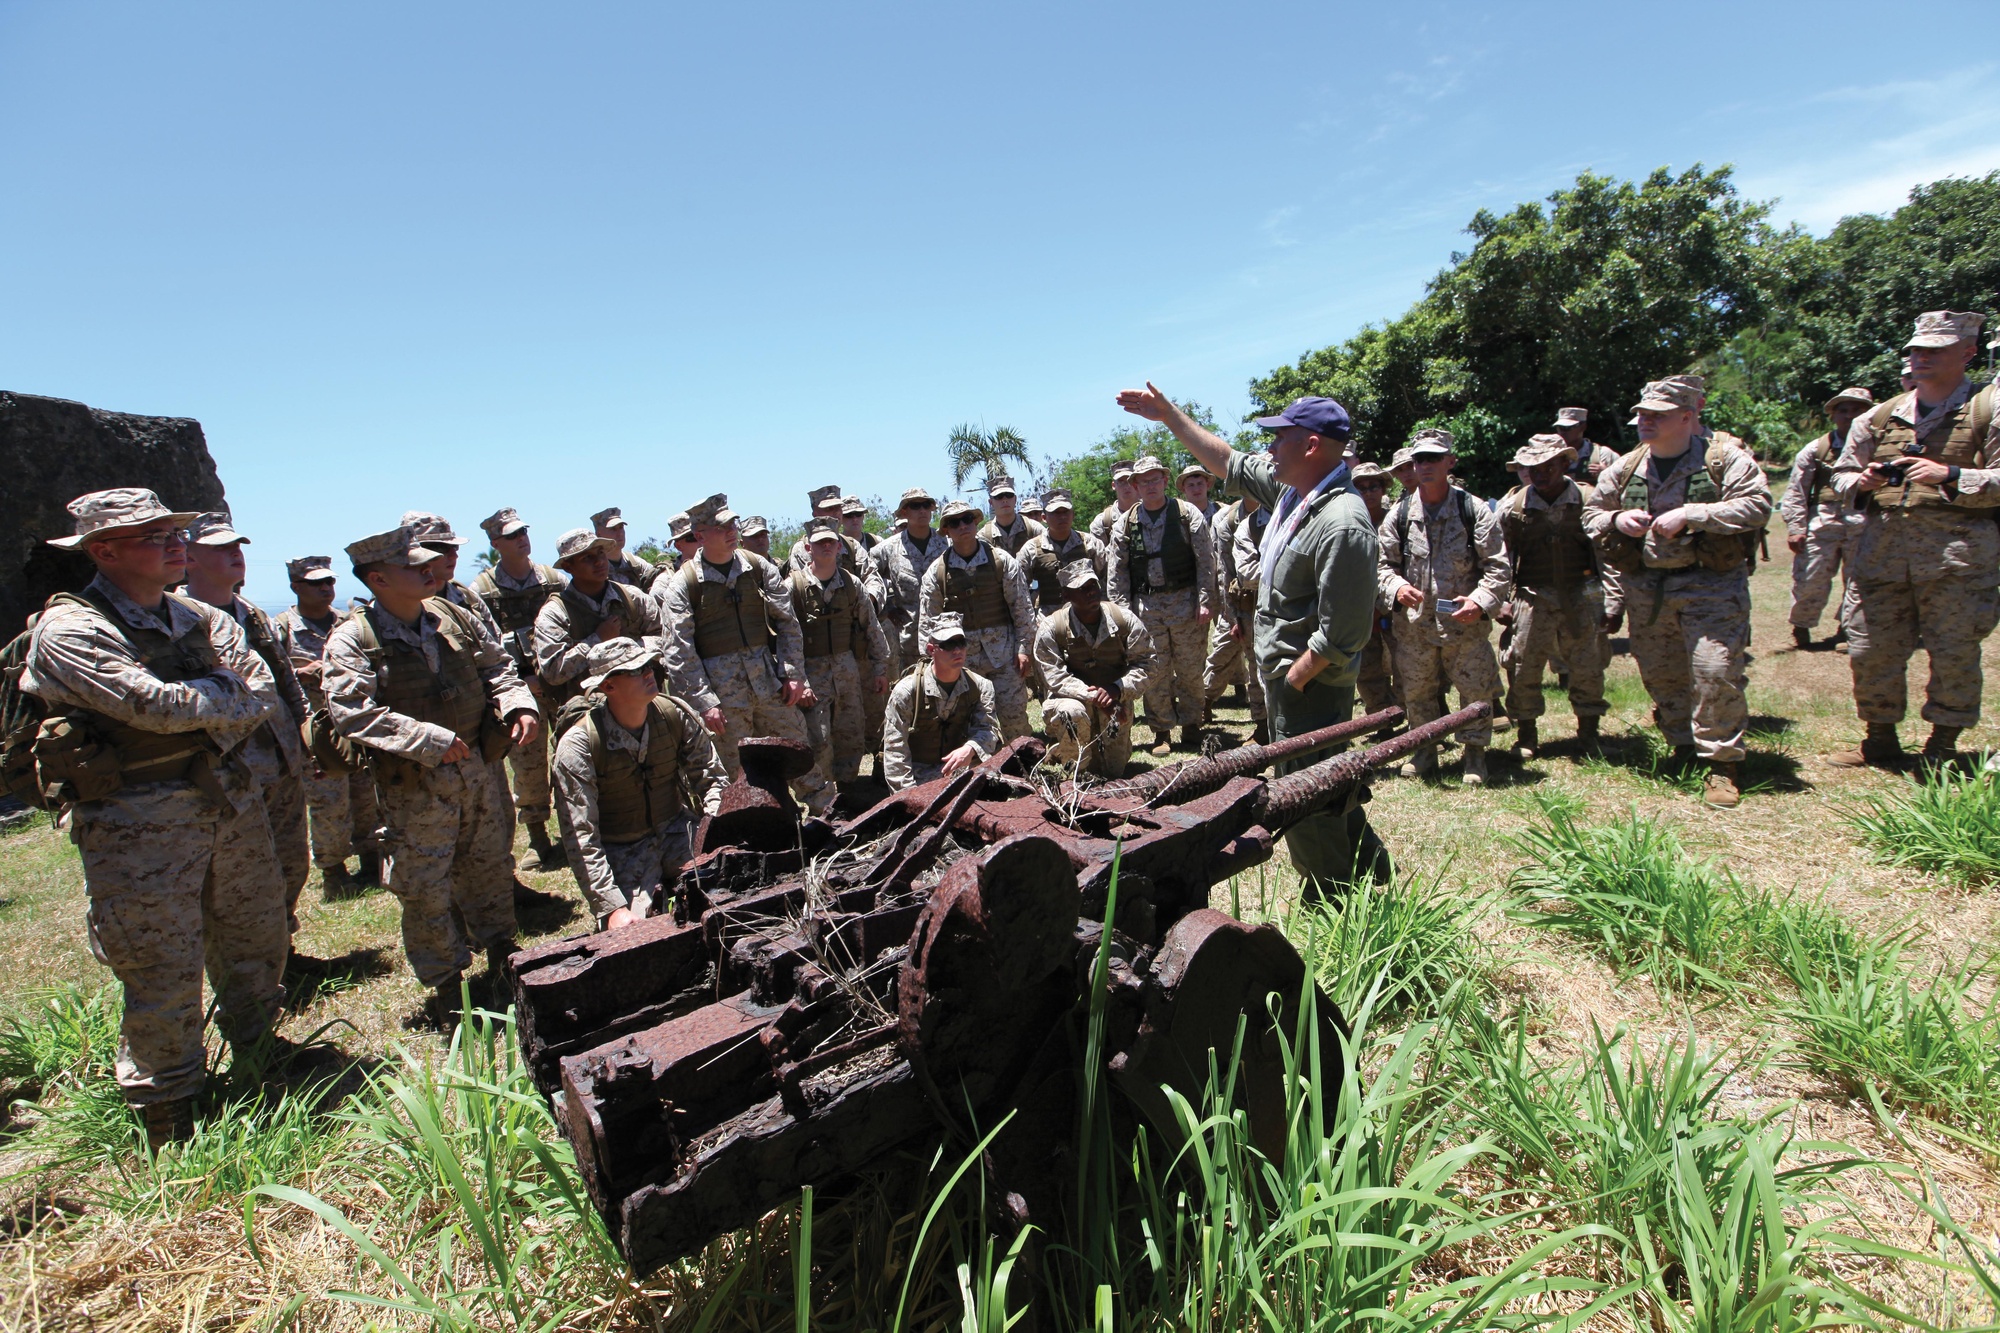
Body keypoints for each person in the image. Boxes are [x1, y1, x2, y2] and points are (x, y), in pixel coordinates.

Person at [22, 490, 290, 1147]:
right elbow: (155, 706)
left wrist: (214, 696)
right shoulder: (70, 630)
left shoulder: (200, 617)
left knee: (255, 938)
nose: (175, 543)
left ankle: (261, 1056)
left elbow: (261, 692)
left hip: (226, 803)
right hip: (135, 826)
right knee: (160, 966)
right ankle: (168, 1105)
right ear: (103, 550)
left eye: (174, 531)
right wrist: (220, 694)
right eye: (152, 535)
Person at [1116, 387, 1384, 895]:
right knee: (1328, 778)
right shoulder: (1295, 491)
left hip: (1311, 686)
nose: (1269, 449)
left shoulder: (1342, 522)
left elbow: (1345, 631)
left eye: (1279, 438)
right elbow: (1227, 461)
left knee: (1305, 792)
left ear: (1310, 445)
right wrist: (1171, 417)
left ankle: (1330, 894)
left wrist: (1297, 676)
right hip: (1288, 678)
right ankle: (1370, 867)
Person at [324, 525, 539, 1010]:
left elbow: (498, 667)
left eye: (428, 562)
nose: (429, 570)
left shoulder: (452, 616)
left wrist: (517, 703)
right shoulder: (354, 640)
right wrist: (427, 739)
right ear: (378, 578)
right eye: (413, 566)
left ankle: (502, 950)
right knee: (424, 884)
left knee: (489, 862)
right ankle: (447, 983)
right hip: (415, 787)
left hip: (479, 771)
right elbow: (349, 710)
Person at [1583, 379, 1771, 807]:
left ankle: (1721, 764)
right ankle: (1683, 748)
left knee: (1714, 670)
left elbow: (1758, 505)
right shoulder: (1626, 468)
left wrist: (1694, 513)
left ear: (1687, 417)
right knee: (1661, 672)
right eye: (1642, 414)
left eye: (1657, 415)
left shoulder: (1724, 461)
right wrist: (1617, 521)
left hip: (1712, 585)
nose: (1644, 421)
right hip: (1648, 590)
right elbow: (1590, 514)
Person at [1827, 311, 1998, 769]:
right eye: (1916, 350)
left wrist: (1954, 475)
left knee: (1954, 652)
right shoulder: (1879, 417)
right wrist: (1861, 481)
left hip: (1957, 561)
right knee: (1868, 650)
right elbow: (1840, 475)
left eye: (1934, 350)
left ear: (1967, 353)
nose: (1920, 358)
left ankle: (1943, 745)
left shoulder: (1988, 408)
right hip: (1880, 557)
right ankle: (1879, 738)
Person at [658, 494, 834, 813]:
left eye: (732, 523)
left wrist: (793, 674)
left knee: (796, 747)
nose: (730, 530)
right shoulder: (683, 585)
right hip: (723, 699)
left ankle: (826, 809)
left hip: (769, 684)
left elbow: (788, 623)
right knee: (735, 771)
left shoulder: (757, 567)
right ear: (699, 536)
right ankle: (755, 826)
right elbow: (678, 652)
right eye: (719, 526)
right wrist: (705, 702)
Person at [181, 513, 314, 930]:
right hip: (228, 769)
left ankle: (283, 952)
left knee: (292, 860)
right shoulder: (180, 619)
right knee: (242, 876)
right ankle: (254, 974)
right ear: (189, 557)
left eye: (236, 546)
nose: (235, 555)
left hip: (280, 758)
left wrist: (306, 732)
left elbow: (285, 680)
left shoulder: (251, 614)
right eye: (220, 548)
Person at [551, 638, 725, 929]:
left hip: (677, 831)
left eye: (648, 665)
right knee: (640, 928)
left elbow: (712, 778)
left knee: (732, 883)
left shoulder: (673, 714)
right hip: (623, 849)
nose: (648, 673)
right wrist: (611, 906)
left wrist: (716, 830)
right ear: (608, 686)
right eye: (634, 670)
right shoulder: (579, 747)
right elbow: (581, 836)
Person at [1375, 430, 1510, 784]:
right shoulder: (1400, 515)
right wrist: (1397, 586)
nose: (1426, 465)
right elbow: (1381, 565)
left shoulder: (1472, 509)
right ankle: (1424, 751)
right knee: (1417, 692)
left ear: (1451, 461)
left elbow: (1498, 566)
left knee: (1475, 690)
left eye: (1434, 458)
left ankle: (1475, 755)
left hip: (1464, 626)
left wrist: (1480, 601)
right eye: (1420, 459)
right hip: (1415, 628)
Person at [1494, 436, 1607, 758]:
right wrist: (1502, 599)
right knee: (1523, 664)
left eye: (1547, 466)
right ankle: (1526, 736)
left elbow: (1605, 554)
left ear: (1564, 464)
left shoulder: (1588, 499)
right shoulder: (1513, 507)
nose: (1539, 473)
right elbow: (1500, 556)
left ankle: (1589, 734)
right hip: (1533, 596)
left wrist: (1611, 601)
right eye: (1532, 468)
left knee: (1588, 665)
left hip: (1582, 595)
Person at [468, 508, 568, 869]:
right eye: (511, 535)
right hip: (520, 688)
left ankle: (574, 830)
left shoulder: (553, 579)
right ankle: (539, 838)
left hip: (560, 682)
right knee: (527, 763)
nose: (521, 538)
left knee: (571, 756)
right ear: (495, 543)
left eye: (523, 531)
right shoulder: (482, 591)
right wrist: (522, 683)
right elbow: (485, 647)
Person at [277, 556, 382, 897]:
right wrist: (300, 673)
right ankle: (334, 873)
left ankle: (371, 862)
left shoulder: (349, 623)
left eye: (329, 582)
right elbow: (266, 677)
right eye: (314, 583)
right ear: (295, 586)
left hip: (355, 725)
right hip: (317, 733)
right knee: (328, 804)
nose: (325, 589)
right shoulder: (282, 629)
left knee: (367, 798)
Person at [1107, 454, 1216, 755]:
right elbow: (1117, 575)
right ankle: (1161, 732)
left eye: (1156, 479)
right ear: (1135, 485)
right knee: (1154, 672)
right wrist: (1122, 617)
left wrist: (1206, 601)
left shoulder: (1186, 514)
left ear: (1166, 481)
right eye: (1144, 481)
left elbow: (1206, 561)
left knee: (1191, 668)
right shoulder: (1124, 524)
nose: (1151, 485)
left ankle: (1193, 724)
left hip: (1186, 604)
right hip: (1146, 609)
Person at [918, 500, 1039, 740]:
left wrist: (1024, 649)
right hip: (960, 660)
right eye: (954, 522)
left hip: (1004, 655)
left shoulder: (1002, 561)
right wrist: (930, 663)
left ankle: (1025, 768)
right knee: (966, 723)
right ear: (946, 531)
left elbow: (1022, 608)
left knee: (1013, 717)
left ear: (976, 522)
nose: (962, 525)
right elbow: (927, 623)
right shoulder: (937, 572)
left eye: (966, 519)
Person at [791, 519, 891, 785]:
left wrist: (880, 669)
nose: (826, 546)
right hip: (812, 675)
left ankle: (847, 792)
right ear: (807, 547)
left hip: (848, 671)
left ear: (839, 547)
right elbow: (785, 641)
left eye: (831, 542)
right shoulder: (793, 587)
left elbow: (872, 629)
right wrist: (798, 680)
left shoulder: (852, 584)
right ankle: (822, 798)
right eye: (819, 542)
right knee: (818, 738)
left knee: (851, 734)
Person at [1036, 563, 1156, 777]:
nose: (1090, 592)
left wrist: (1117, 689)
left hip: (1116, 699)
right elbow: (1053, 677)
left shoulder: (1124, 621)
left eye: (1093, 585)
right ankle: (1073, 775)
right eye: (1082, 588)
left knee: (1111, 773)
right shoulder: (1051, 629)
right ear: (1066, 594)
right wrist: (1096, 697)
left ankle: (1067, 751)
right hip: (1071, 699)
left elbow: (1148, 664)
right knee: (1071, 713)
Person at [1783, 388, 1874, 651]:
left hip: (1865, 520)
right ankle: (1801, 627)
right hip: (1824, 522)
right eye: (1843, 410)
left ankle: (1849, 630)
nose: (1850, 416)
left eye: (1858, 410)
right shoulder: (1817, 448)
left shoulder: (1879, 447)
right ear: (1833, 415)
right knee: (1810, 577)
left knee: (1860, 579)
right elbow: (1796, 490)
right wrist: (1795, 528)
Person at [534, 526, 664, 709]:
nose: (599, 562)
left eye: (601, 553)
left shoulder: (633, 598)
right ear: (567, 566)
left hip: (644, 706)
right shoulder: (555, 614)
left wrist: (630, 649)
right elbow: (553, 672)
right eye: (587, 558)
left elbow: (665, 638)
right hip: (589, 715)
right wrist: (597, 640)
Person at [881, 612, 999, 790]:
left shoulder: (981, 687)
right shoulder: (906, 692)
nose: (957, 650)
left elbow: (988, 730)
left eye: (961, 643)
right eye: (948, 645)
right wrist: (909, 798)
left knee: (996, 785)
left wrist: (971, 748)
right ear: (931, 649)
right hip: (918, 773)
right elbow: (895, 751)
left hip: (962, 768)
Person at [872, 487, 948, 693]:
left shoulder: (946, 543)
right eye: (915, 506)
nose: (922, 510)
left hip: (946, 627)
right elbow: (867, 577)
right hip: (909, 634)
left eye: (926, 505)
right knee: (913, 689)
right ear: (904, 512)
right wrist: (886, 608)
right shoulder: (888, 548)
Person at [1203, 492, 1266, 738]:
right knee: (1227, 658)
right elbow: (1224, 572)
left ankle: (1272, 724)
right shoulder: (1226, 520)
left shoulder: (1287, 509)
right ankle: (1206, 703)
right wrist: (1232, 616)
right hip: (1245, 606)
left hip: (1283, 605)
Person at [1345, 462, 1399, 715]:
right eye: (1361, 487)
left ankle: (1411, 719)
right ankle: (1381, 718)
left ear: (1383, 488)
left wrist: (1382, 605)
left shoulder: (1399, 519)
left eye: (1374, 486)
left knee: (1405, 667)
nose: (1368, 492)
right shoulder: (1346, 522)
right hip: (1360, 611)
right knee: (1367, 671)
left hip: (1396, 609)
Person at [1016, 488, 1107, 614]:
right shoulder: (1031, 549)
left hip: (1089, 616)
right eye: (1056, 513)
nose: (1062, 516)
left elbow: (1106, 580)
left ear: (1073, 514)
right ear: (1044, 517)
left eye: (1066, 512)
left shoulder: (1090, 544)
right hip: (1048, 621)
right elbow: (1020, 591)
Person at [592, 507, 659, 591]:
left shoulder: (635, 564)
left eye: (621, 527)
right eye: (613, 529)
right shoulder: (594, 569)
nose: (620, 533)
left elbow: (657, 577)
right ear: (599, 534)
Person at [978, 475, 1045, 556]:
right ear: (991, 502)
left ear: (1015, 499)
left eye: (1009, 495)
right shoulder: (984, 536)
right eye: (999, 497)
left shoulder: (1034, 528)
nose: (1005, 500)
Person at [1554, 408, 1611, 483]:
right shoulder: (1551, 455)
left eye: (1568, 428)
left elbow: (1622, 482)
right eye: (1560, 427)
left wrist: (1607, 474)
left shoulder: (1602, 454)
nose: (1562, 432)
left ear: (1583, 427)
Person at [1090, 460, 1139, 544]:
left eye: (1129, 481)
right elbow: (1097, 555)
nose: (1126, 486)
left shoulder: (1151, 512)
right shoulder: (1102, 522)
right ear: (1113, 485)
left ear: (1136, 483)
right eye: (1121, 482)